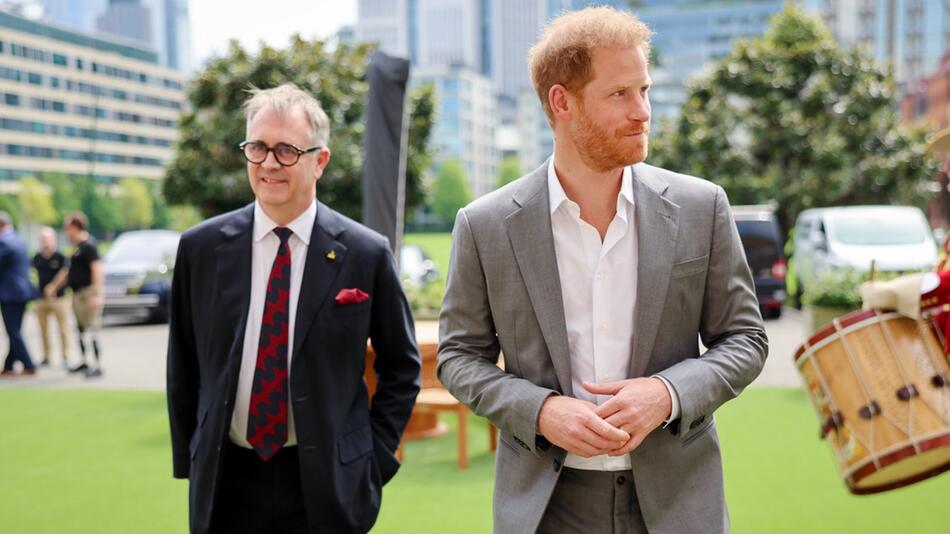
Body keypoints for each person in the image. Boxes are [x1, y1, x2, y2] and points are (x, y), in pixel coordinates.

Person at [437, 7, 768, 534]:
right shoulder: (484, 225)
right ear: (562, 102)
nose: (642, 112)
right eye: (620, 94)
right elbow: (459, 356)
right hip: (547, 507)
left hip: (680, 503)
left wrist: (667, 394)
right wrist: (542, 411)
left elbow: (745, 339)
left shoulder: (703, 207)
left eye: (645, 91)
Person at [166, 83, 421, 534]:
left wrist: (371, 458)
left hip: (327, 485)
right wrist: (191, 454)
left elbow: (401, 368)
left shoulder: (365, 253)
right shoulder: (200, 248)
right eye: (258, 148)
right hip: (226, 480)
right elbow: (183, 364)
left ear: (319, 160)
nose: (268, 163)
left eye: (286, 150)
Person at [44, 212, 105, 378]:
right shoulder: (76, 248)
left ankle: (97, 365)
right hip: (77, 293)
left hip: (88, 292)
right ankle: (85, 361)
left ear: (76, 227)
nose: (67, 232)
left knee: (92, 328)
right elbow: (68, 271)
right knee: (81, 329)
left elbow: (97, 269)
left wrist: (96, 294)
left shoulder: (89, 246)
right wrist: (54, 286)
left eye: (68, 228)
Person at [0, 212, 37, 377]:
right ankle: (9, 365)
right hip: (22, 292)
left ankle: (29, 364)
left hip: (10, 294)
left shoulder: (4, 242)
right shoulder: (19, 240)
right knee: (15, 330)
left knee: (13, 331)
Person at [32, 226, 73, 368]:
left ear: (53, 240)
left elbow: (66, 274)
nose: (45, 242)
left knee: (63, 328)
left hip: (59, 298)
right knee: (43, 330)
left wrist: (54, 287)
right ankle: (46, 355)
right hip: (42, 298)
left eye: (47, 239)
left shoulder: (60, 257)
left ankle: (66, 356)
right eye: (42, 239)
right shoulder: (37, 258)